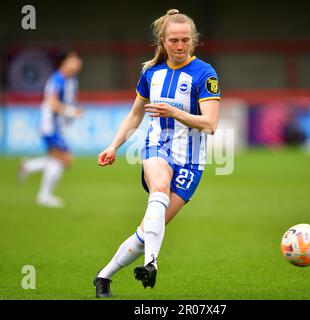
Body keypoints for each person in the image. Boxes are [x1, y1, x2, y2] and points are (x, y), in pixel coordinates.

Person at [94, 9, 221, 298]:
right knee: (159, 188)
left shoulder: (205, 73)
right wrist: (114, 146)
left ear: (194, 41)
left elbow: (210, 124)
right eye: (174, 40)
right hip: (156, 147)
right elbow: (134, 116)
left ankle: (103, 276)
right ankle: (152, 263)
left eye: (186, 40)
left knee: (148, 229)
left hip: (191, 160)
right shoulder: (151, 73)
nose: (180, 46)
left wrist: (174, 111)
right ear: (162, 41)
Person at [18, 49, 83, 208]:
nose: (78, 62)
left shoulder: (72, 79)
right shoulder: (57, 79)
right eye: (73, 59)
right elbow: (52, 102)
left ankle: (29, 167)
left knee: (58, 159)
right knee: (65, 159)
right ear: (64, 62)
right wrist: (70, 112)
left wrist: (70, 113)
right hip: (50, 125)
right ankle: (44, 195)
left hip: (59, 126)